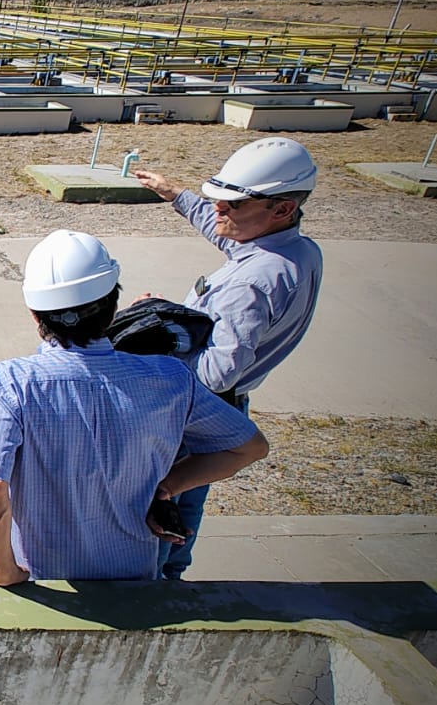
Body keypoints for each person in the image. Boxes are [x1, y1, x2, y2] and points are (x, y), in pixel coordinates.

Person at [0, 230, 268, 583]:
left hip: (41, 582)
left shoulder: (13, 381)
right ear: (113, 308)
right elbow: (249, 447)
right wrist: (167, 487)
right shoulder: (170, 377)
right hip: (132, 578)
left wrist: (3, 570)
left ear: (35, 313)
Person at [133, 138, 322, 579]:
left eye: (232, 204)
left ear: (282, 209)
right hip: (227, 409)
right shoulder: (295, 251)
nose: (220, 211)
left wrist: (164, 330)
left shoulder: (249, 285)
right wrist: (177, 195)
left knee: (161, 507)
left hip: (196, 412)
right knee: (188, 499)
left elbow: (216, 374)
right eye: (218, 200)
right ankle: (173, 576)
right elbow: (233, 240)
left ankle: (150, 588)